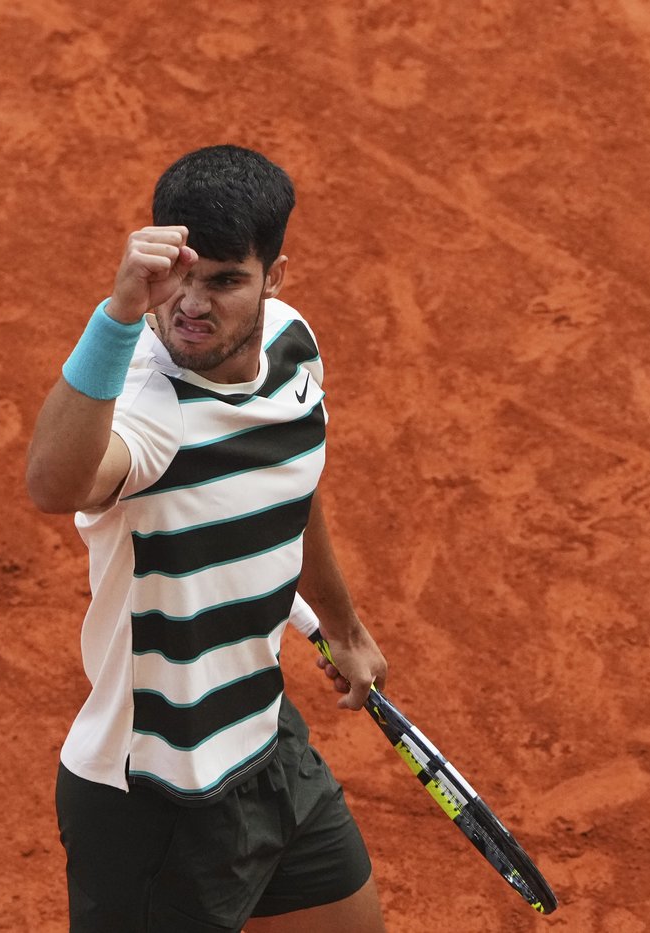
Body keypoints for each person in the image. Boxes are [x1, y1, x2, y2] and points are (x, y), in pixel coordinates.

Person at [25, 145, 389, 932]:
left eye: (223, 280)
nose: (190, 303)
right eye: (177, 274)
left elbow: (293, 474)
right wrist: (119, 314)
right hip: (154, 799)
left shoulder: (293, 348)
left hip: (265, 744)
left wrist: (346, 627)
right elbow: (54, 485)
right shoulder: (149, 409)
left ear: (274, 278)